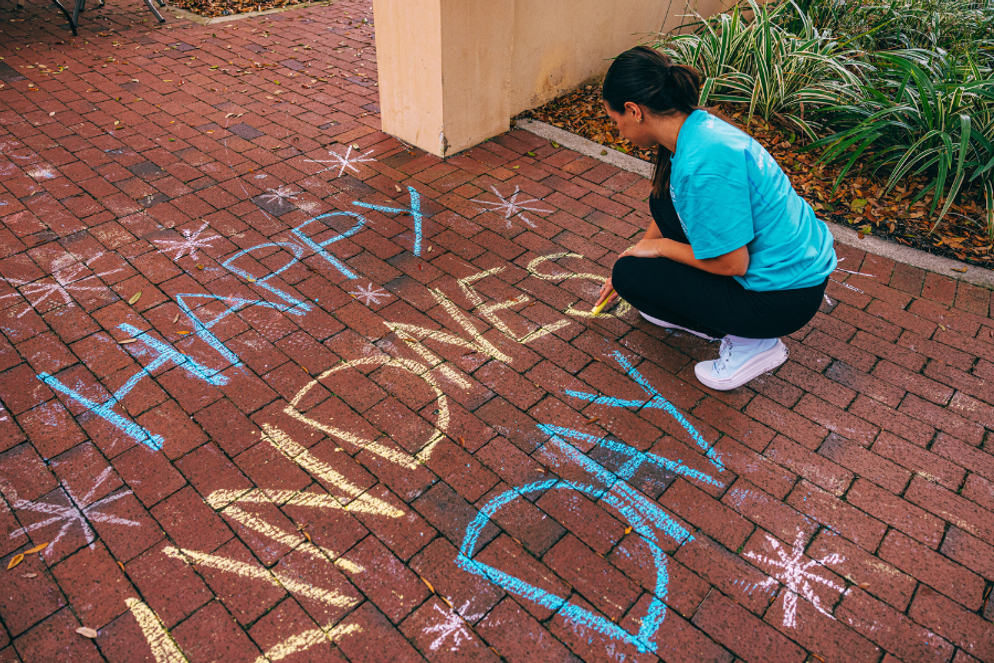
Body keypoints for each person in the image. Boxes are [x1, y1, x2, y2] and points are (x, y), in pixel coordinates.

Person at [593, 46, 837, 391]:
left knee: (630, 276)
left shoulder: (701, 165)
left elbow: (732, 265)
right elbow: (666, 207)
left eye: (615, 120)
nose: (617, 130)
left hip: (780, 300)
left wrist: (659, 250)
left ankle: (754, 343)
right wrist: (639, 249)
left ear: (633, 111)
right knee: (641, 253)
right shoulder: (697, 128)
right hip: (796, 274)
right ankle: (713, 315)